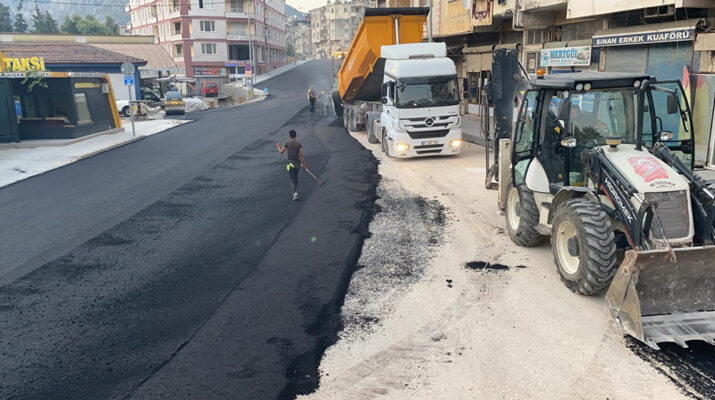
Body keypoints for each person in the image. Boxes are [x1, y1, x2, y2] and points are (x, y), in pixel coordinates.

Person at [276, 130, 306, 201]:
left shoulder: (287, 143)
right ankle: (295, 190)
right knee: (295, 177)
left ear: (289, 136)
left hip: (289, 164)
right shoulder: (299, 144)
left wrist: (278, 146)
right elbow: (301, 155)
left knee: (292, 178)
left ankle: (294, 193)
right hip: (297, 164)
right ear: (295, 136)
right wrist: (304, 165)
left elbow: (281, 152)